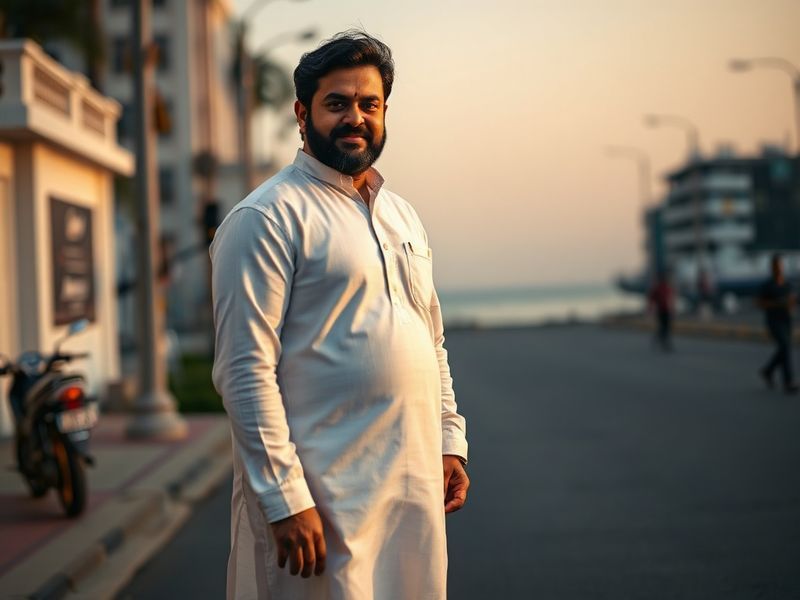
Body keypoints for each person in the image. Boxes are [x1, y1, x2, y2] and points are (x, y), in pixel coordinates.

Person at [210, 31, 469, 599]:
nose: (356, 117)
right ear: (303, 114)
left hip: (412, 490)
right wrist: (284, 498)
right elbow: (244, 371)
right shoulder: (266, 218)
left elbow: (432, 339)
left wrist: (449, 439)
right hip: (323, 500)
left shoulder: (403, 216)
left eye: (369, 104)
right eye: (337, 104)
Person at [758, 253, 798, 394]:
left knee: (784, 348)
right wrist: (777, 303)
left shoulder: (788, 284)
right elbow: (760, 303)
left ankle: (768, 371)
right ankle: (789, 382)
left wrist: (791, 303)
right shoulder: (767, 285)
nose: (779, 268)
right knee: (785, 346)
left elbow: (793, 301)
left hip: (787, 320)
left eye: (780, 265)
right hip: (773, 321)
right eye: (776, 265)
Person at [648, 270, 675, 351]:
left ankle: (659, 339)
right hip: (661, 310)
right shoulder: (658, 288)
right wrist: (650, 308)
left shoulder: (667, 287)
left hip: (667, 310)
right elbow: (652, 299)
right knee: (664, 327)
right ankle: (665, 343)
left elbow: (671, 299)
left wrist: (672, 309)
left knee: (666, 327)